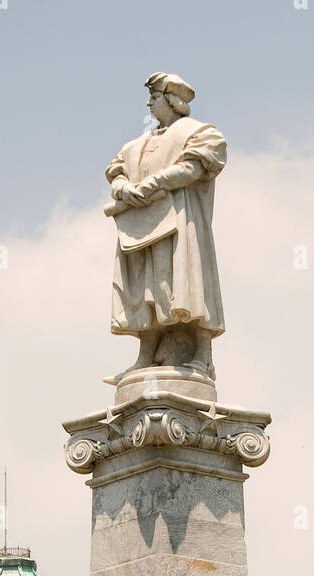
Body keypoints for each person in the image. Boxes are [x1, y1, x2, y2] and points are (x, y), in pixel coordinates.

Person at [105, 73, 226, 380]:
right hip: (143, 224)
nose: (149, 102)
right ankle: (146, 355)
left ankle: (202, 356)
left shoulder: (199, 133)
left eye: (155, 96)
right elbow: (116, 172)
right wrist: (124, 190)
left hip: (180, 223)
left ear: (172, 100)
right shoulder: (137, 145)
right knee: (146, 285)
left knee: (187, 284)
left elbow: (192, 168)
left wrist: (151, 184)